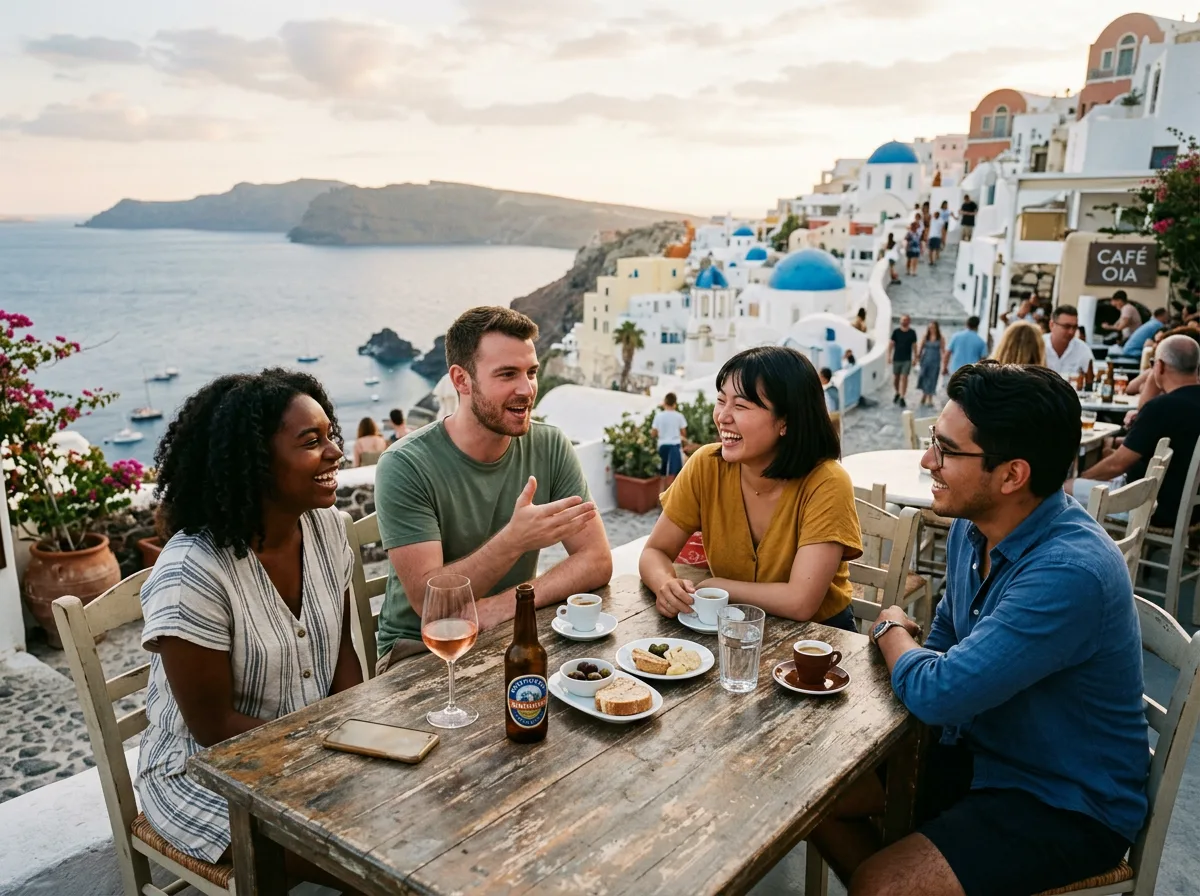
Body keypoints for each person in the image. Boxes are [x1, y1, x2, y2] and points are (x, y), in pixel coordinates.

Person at [813, 362, 1149, 896]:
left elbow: (940, 692)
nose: (927, 462)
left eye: (945, 450)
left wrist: (890, 630)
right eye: (931, 442)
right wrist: (926, 665)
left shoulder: (1068, 572)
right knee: (812, 795)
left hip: (1062, 800)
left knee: (882, 884)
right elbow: (948, 634)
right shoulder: (975, 528)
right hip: (979, 753)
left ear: (1013, 474)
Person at [137, 370, 365, 893]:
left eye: (331, 435)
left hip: (314, 753)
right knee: (367, 865)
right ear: (257, 462)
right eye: (311, 442)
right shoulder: (193, 571)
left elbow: (343, 663)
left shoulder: (328, 529)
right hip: (207, 777)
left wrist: (359, 745)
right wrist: (322, 762)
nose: (335, 452)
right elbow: (213, 727)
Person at [373, 306, 612, 673]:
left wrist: (504, 606)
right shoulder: (405, 465)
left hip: (508, 631)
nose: (526, 389)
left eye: (531, 372)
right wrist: (514, 540)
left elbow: (596, 560)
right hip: (421, 651)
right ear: (461, 380)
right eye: (507, 374)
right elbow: (427, 601)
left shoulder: (549, 445)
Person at [638, 346, 862, 630]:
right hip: (732, 629)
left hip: (817, 642)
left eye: (741, 406)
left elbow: (801, 601)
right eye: (721, 401)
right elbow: (654, 552)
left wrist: (718, 586)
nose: (723, 416)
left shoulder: (827, 483)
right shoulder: (706, 465)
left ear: (786, 421)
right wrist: (666, 585)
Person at [1071, 334, 1200, 527]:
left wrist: (1081, 478)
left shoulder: (1163, 407)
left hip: (1152, 505)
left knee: (1062, 490)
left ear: (1160, 366)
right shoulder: (1182, 404)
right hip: (1190, 508)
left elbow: (1117, 465)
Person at [1042, 304, 1095, 375]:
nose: (1071, 332)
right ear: (1052, 325)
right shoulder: (1038, 345)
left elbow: (1091, 377)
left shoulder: (1083, 349)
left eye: (1074, 327)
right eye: (1066, 326)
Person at [651, 392, 688, 486]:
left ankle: (661, 497)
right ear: (675, 403)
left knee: (662, 474)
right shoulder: (679, 416)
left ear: (665, 402)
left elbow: (653, 433)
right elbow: (684, 432)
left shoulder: (658, 416)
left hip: (662, 445)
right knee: (673, 474)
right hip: (674, 446)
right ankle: (670, 498)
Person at [889, 315, 918, 407]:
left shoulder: (912, 333)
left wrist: (915, 358)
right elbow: (891, 344)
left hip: (907, 359)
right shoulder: (896, 332)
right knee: (896, 378)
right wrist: (889, 356)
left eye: (905, 320)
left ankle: (902, 396)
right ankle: (897, 392)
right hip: (897, 358)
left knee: (904, 377)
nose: (903, 321)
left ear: (908, 321)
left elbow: (914, 346)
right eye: (902, 320)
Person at [916, 321, 943, 406]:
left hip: (935, 361)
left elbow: (943, 351)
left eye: (933, 327)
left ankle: (930, 397)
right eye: (930, 327)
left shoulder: (940, 338)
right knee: (924, 376)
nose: (931, 329)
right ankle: (924, 395)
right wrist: (918, 357)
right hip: (925, 359)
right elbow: (921, 348)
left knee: (933, 378)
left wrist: (945, 363)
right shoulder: (926, 337)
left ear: (936, 328)